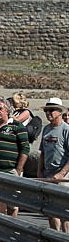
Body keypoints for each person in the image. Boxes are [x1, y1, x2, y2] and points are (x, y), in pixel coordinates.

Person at [38, 97, 69, 232]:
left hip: (63, 176)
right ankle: (55, 239)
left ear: (59, 112)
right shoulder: (46, 129)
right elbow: (42, 152)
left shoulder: (66, 129)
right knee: (51, 211)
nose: (48, 113)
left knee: (64, 211)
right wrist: (39, 171)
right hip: (48, 174)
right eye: (47, 110)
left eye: (51, 110)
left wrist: (62, 173)